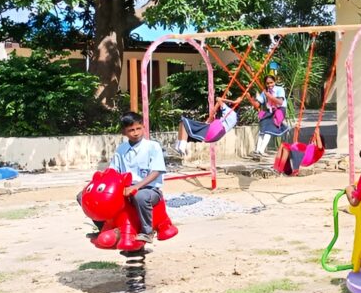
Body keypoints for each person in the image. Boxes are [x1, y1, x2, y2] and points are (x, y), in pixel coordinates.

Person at [77, 112, 166, 243]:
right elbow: (113, 170)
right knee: (83, 196)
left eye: (138, 128)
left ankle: (147, 232)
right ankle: (103, 228)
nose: (136, 133)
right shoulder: (121, 149)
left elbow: (156, 171)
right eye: (131, 130)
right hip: (124, 188)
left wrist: (136, 187)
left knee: (140, 196)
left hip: (148, 189)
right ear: (124, 132)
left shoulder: (152, 146)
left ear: (143, 127)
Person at [174, 97, 241, 155]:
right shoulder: (235, 119)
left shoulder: (230, 111)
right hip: (216, 134)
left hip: (214, 130)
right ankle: (179, 146)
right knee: (183, 123)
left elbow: (218, 99)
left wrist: (234, 101)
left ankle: (181, 147)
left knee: (184, 122)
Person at [254, 75, 288, 157]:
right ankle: (257, 150)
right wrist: (250, 99)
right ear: (265, 84)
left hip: (279, 110)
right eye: (267, 83)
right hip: (269, 111)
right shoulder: (264, 92)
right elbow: (257, 104)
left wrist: (269, 96)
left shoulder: (280, 89)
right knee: (263, 129)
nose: (270, 85)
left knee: (269, 129)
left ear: (274, 82)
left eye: (271, 82)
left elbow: (280, 102)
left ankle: (261, 150)